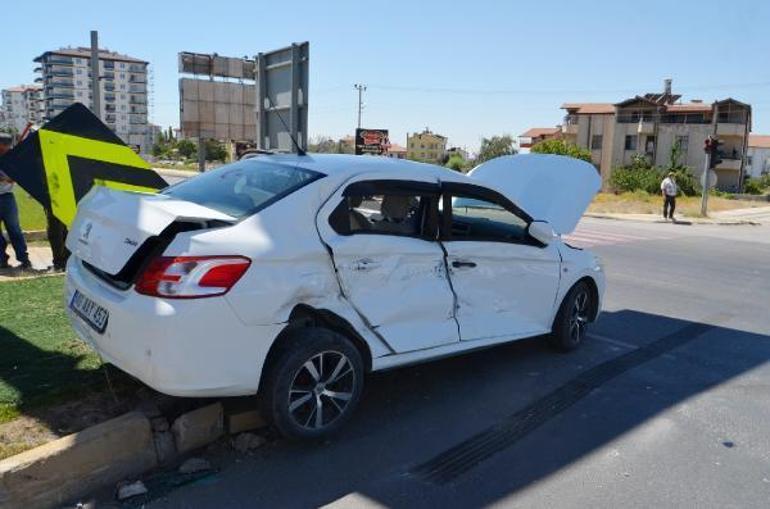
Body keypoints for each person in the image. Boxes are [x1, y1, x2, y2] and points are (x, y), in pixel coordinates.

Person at [0, 133, 31, 270]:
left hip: (7, 197)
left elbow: (16, 177)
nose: (7, 147)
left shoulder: (12, 159)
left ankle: (23, 259)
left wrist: (5, 178)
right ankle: (1, 259)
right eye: (4, 144)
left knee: (14, 229)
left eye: (7, 145)